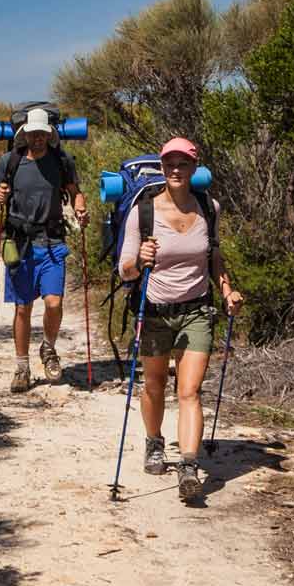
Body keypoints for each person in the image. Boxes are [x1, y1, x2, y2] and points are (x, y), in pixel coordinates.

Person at [116, 137, 244, 502]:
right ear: (161, 167)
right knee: (154, 385)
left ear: (194, 167)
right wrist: (139, 259)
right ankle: (154, 442)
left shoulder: (209, 207)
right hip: (154, 310)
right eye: (169, 163)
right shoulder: (143, 213)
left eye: (183, 163)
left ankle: (189, 465)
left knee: (189, 390)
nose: (176, 169)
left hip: (197, 310)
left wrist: (227, 289)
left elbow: (213, 255)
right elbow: (124, 271)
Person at [0, 106, 88, 392]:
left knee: (54, 302)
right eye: (33, 133)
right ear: (25, 134)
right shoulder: (11, 160)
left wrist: (79, 205)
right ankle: (21, 366)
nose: (38, 137)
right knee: (22, 308)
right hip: (19, 244)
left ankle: (48, 348)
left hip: (52, 242)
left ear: (49, 134)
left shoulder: (61, 160)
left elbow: (75, 190)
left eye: (43, 133)